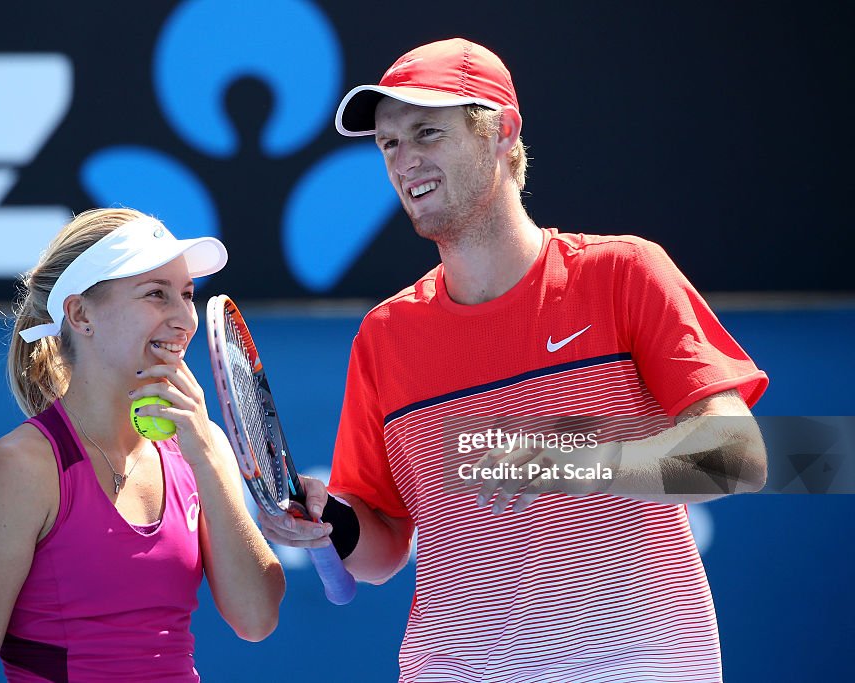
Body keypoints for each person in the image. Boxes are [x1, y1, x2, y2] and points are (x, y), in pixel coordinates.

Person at [260, 38, 769, 682]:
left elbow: (734, 459)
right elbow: (382, 549)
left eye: (427, 132)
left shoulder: (624, 273)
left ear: (503, 133)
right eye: (389, 143)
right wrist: (331, 521)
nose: (405, 159)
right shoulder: (384, 336)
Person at [0, 208, 285, 682]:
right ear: (80, 314)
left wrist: (203, 452)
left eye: (186, 295)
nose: (184, 320)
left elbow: (257, 619)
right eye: (156, 295)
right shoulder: (19, 471)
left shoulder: (203, 446)